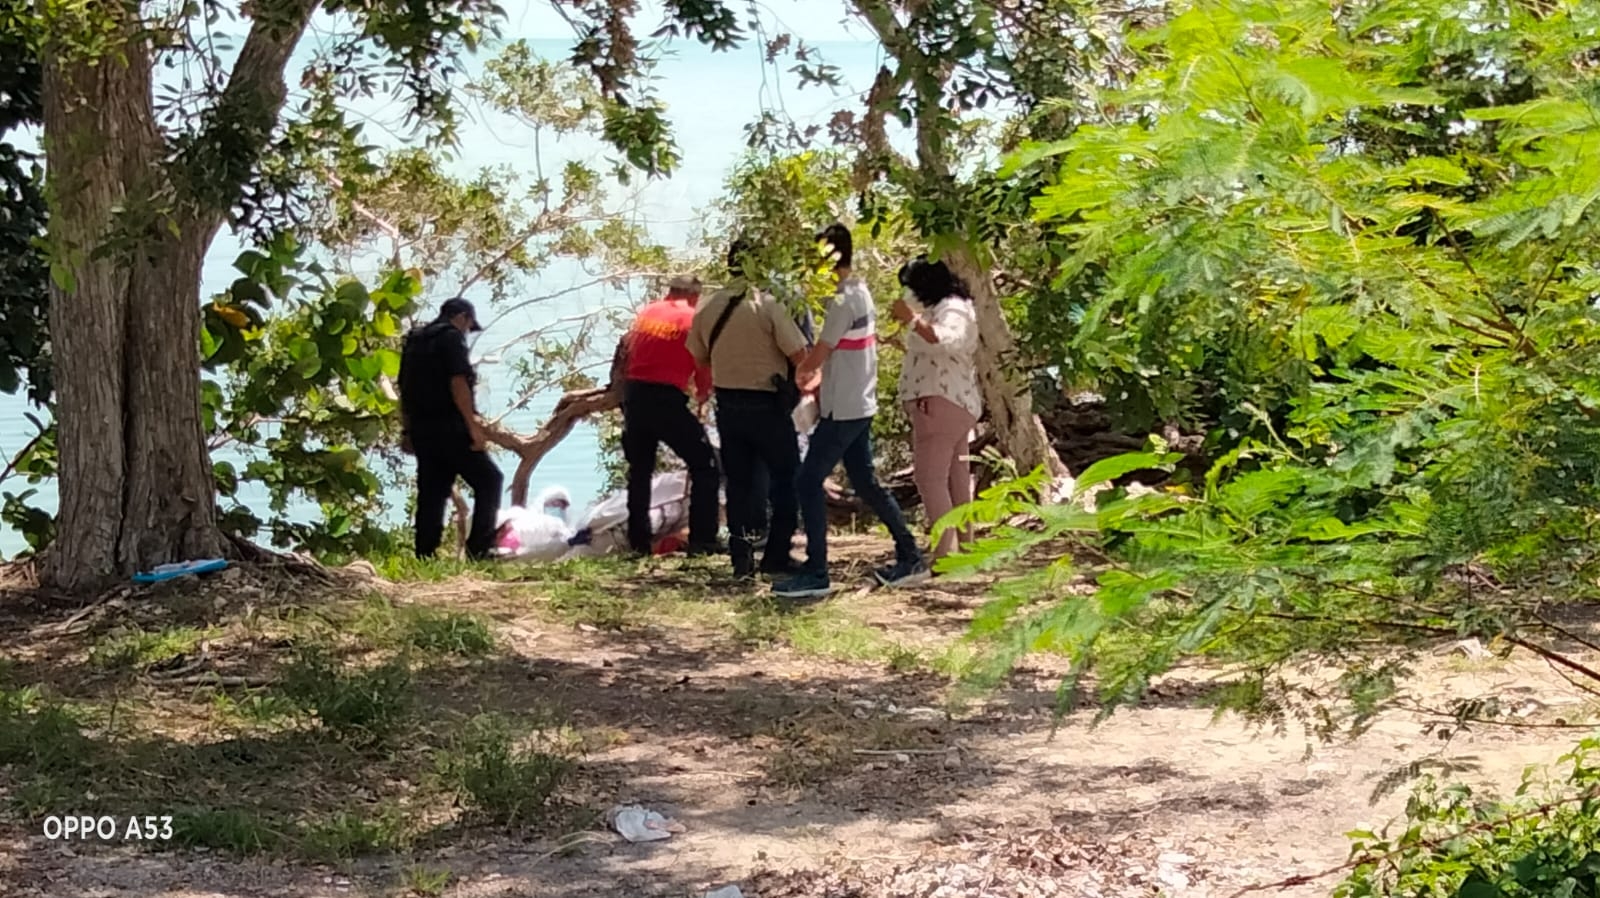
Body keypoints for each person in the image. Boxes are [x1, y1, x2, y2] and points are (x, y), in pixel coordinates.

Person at [776, 224, 927, 600]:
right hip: (859, 402)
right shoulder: (861, 292)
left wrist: (802, 373)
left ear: (828, 258)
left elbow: (820, 352)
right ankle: (910, 553)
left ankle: (817, 571)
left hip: (844, 409)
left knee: (807, 482)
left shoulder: (843, 300)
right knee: (866, 482)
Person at [688, 239, 810, 579]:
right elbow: (800, 353)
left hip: (728, 406)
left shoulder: (708, 307)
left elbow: (698, 355)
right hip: (767, 404)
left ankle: (741, 558)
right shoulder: (767, 304)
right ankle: (776, 555)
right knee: (787, 480)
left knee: (738, 484)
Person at [614, 275, 721, 556]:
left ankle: (638, 542)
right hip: (665, 399)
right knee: (705, 466)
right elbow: (702, 363)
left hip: (634, 395)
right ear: (695, 297)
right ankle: (703, 539)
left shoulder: (647, 312)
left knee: (640, 470)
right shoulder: (692, 318)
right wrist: (703, 391)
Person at [398, 297, 504, 560]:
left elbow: (405, 388)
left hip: (422, 429)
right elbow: (458, 383)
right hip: (450, 427)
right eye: (469, 326)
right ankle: (479, 547)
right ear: (463, 317)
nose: (467, 332)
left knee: (432, 491)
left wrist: (407, 430)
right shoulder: (451, 338)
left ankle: (425, 553)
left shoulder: (415, 340)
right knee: (490, 480)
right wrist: (473, 426)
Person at [892, 257, 982, 563]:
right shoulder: (951, 307)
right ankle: (965, 549)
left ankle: (946, 554)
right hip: (954, 402)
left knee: (930, 478)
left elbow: (945, 340)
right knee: (956, 478)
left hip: (940, 403)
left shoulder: (951, 308)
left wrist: (912, 320)